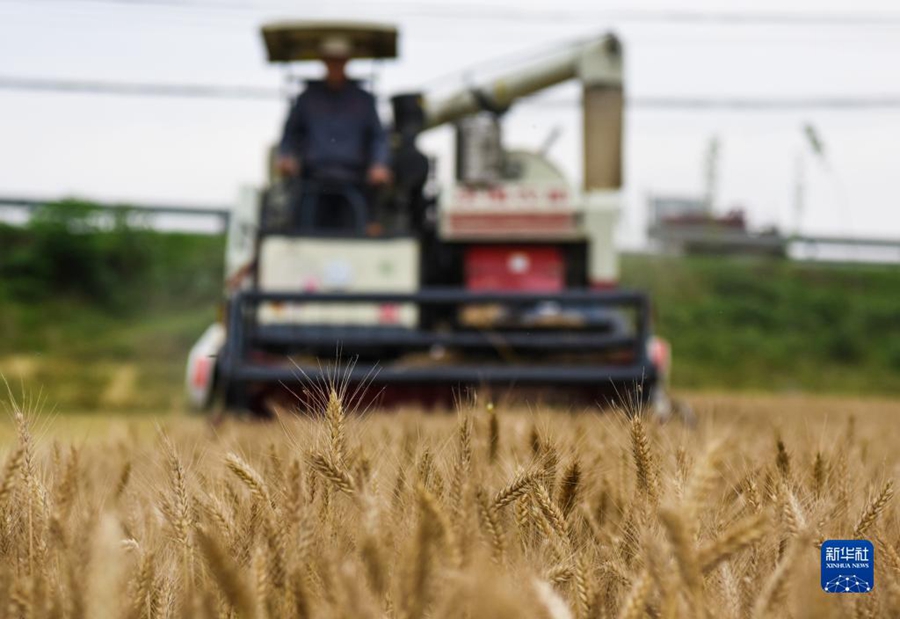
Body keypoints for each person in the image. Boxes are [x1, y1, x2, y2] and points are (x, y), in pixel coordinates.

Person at [276, 36, 392, 188]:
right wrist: (286, 157)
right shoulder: (307, 99)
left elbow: (378, 136)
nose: (335, 65)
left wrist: (379, 164)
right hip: (312, 178)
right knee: (298, 206)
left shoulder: (364, 100)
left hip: (355, 179)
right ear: (324, 61)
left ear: (346, 61)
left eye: (339, 60)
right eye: (331, 60)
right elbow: (290, 134)